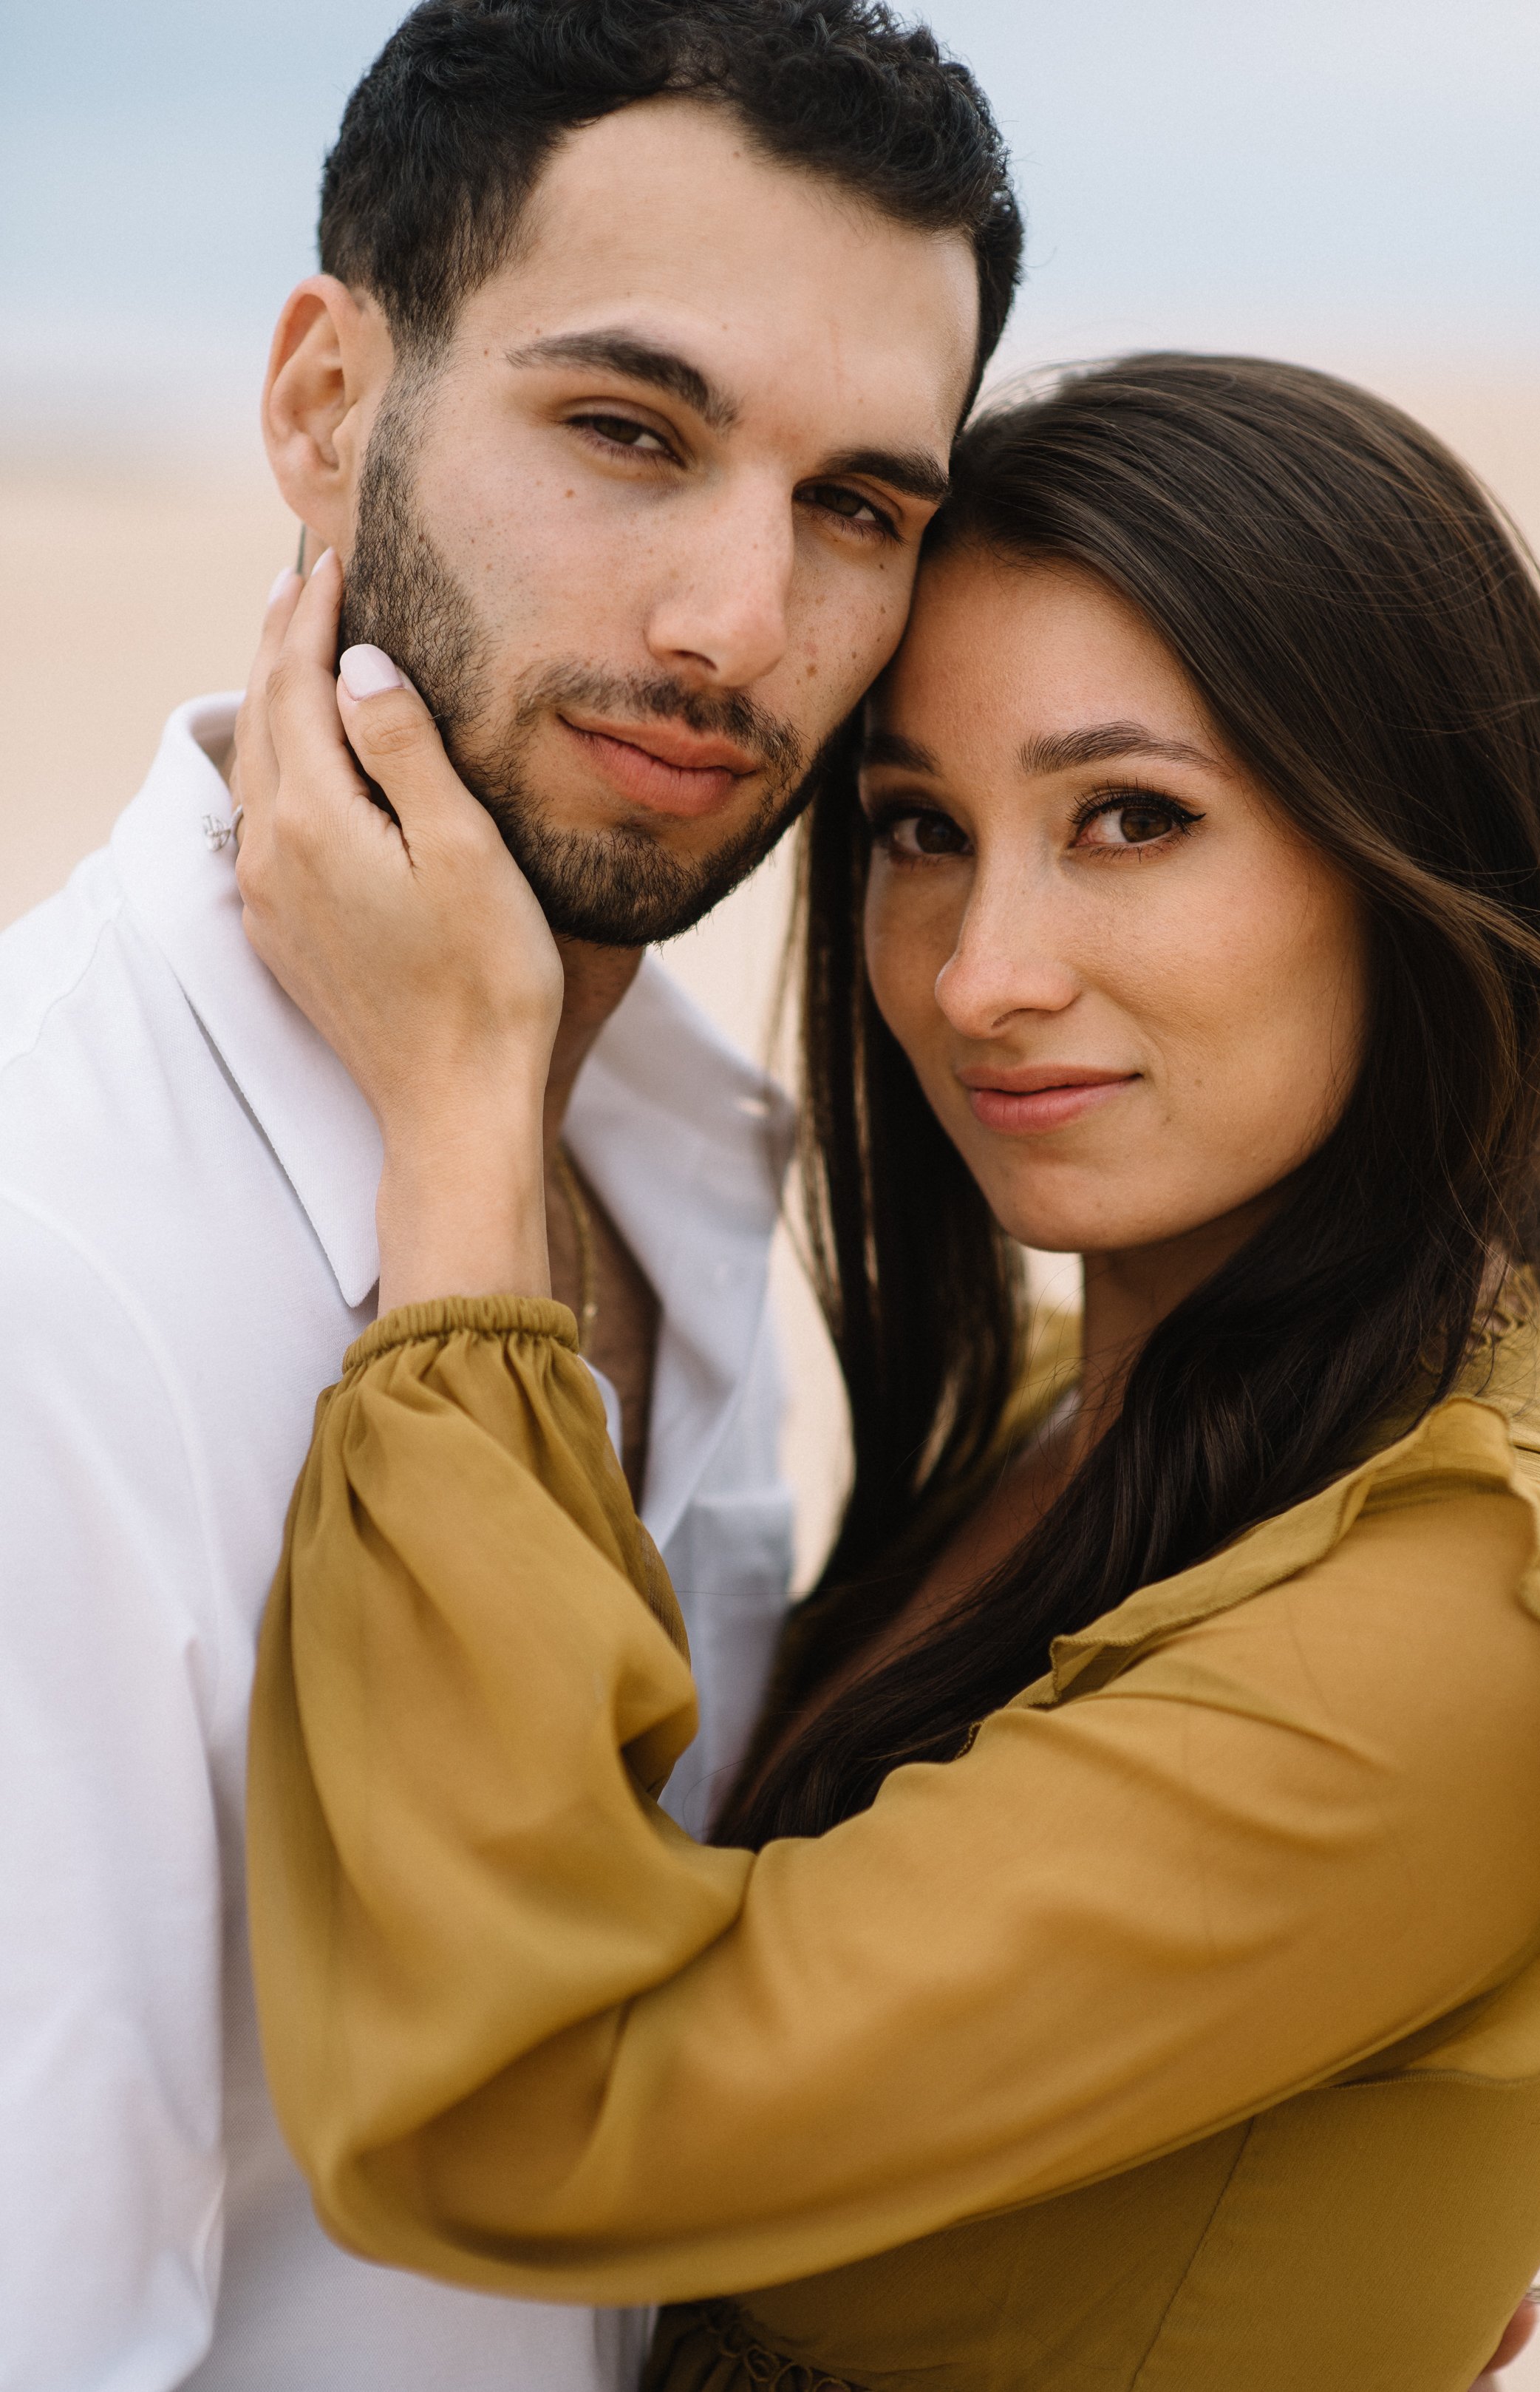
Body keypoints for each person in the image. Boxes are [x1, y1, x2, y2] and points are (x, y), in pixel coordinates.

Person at [239, 353, 1540, 2391]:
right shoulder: (1080, 1413)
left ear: (1406, 851)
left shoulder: (1477, 1599)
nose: (982, 975)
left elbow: (525, 2104)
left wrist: (461, 1128)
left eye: (1133, 817)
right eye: (918, 829)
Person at [0, 4, 1020, 2385]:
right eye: (626, 433)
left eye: (859, 504)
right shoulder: (49, 1254)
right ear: (324, 406)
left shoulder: (666, 1140)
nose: (737, 628)